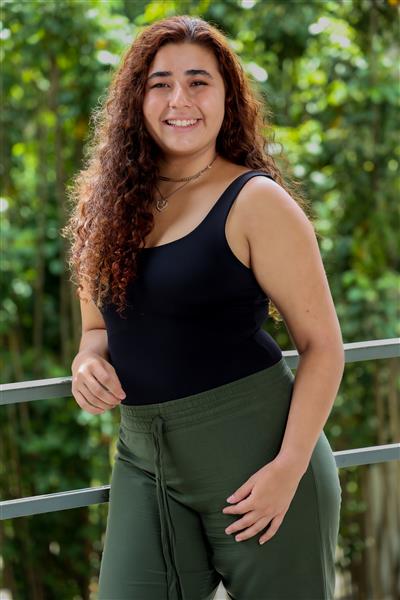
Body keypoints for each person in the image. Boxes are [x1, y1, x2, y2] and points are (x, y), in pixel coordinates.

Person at [65, 15, 344, 600]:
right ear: (137, 99)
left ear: (227, 98)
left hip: (261, 460)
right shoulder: (105, 204)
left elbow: (323, 347)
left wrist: (289, 468)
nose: (180, 99)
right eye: (161, 83)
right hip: (144, 459)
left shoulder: (256, 200)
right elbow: (96, 327)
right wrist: (87, 361)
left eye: (199, 82)